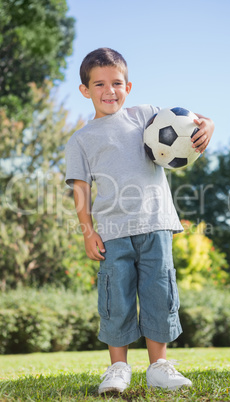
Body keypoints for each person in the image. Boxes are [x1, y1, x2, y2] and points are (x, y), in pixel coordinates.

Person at [65, 47, 214, 394]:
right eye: (99, 84)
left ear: (128, 87)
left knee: (159, 293)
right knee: (115, 298)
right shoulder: (81, 140)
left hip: (156, 225)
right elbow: (82, 189)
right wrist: (88, 232)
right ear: (85, 90)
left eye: (117, 83)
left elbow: (197, 119)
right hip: (113, 233)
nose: (109, 91)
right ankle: (118, 368)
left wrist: (208, 124)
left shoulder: (147, 115)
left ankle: (159, 366)